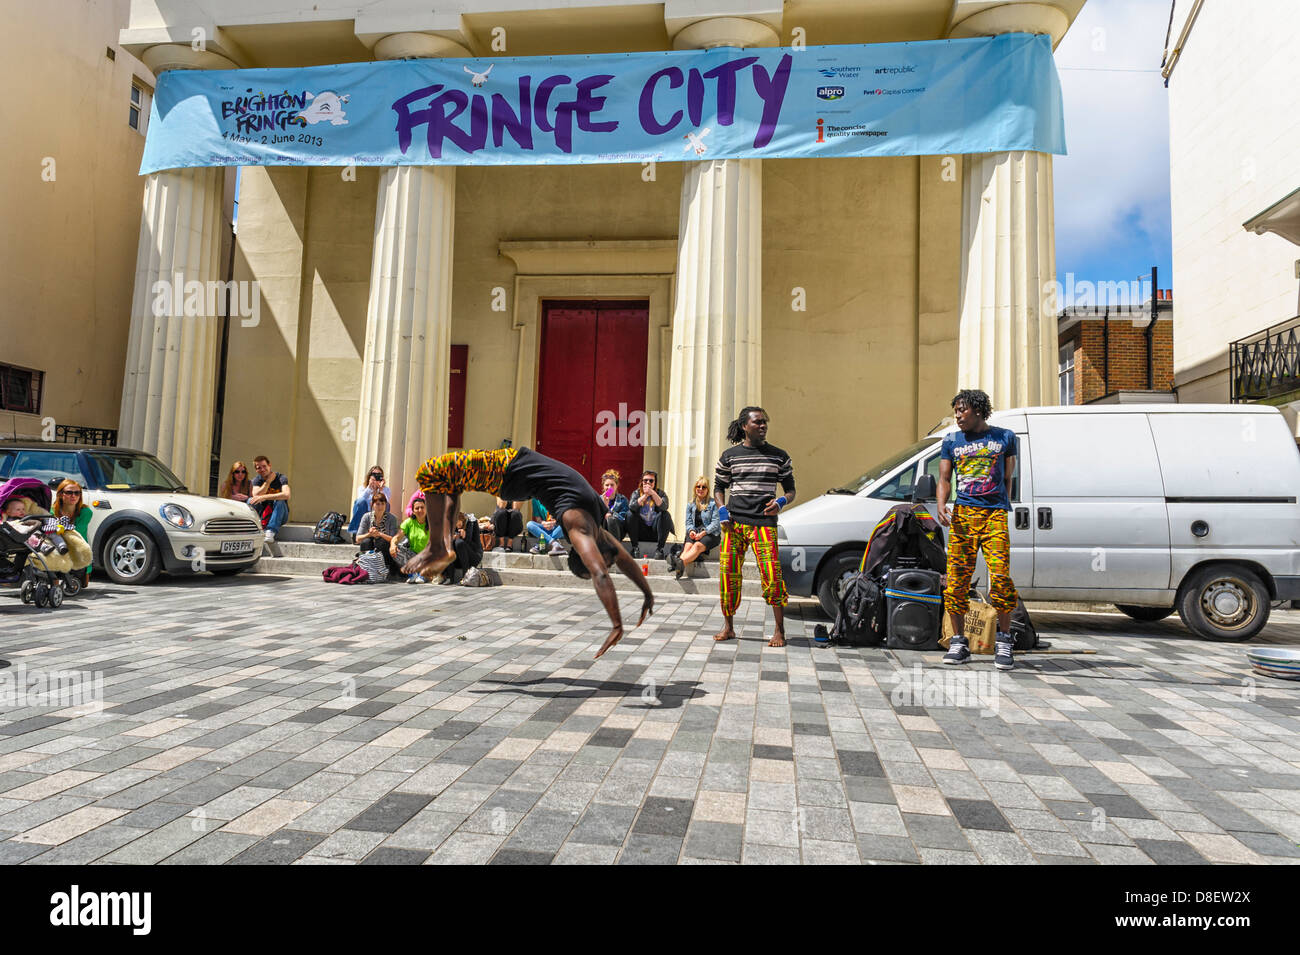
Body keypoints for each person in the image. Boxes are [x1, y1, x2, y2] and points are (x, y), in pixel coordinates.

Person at [406, 446, 654, 656]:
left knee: (430, 472)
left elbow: (600, 573)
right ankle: (443, 545)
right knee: (450, 480)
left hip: (508, 470)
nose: (609, 561)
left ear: (584, 553)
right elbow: (624, 558)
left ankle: (439, 546)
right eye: (607, 561)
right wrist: (646, 594)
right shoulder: (597, 527)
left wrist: (616, 625)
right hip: (515, 472)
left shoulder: (577, 525)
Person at [936, 389, 1020, 671]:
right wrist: (941, 504)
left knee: (1000, 578)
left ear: (979, 410)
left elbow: (1008, 478)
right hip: (963, 515)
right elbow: (944, 477)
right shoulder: (951, 441)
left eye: (963, 410)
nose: (958, 415)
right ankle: (959, 642)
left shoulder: (1005, 438)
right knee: (956, 580)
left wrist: (1001, 506)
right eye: (956, 410)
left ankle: (1005, 641)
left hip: (994, 515)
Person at [713, 406, 796, 648]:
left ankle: (779, 631)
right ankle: (728, 627)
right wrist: (721, 509)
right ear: (744, 426)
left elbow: (790, 490)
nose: (763, 426)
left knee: (772, 576)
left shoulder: (779, 456)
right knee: (728, 576)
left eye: (764, 422)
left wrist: (781, 502)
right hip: (734, 524)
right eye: (758, 422)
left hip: (764, 524)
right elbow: (719, 487)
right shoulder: (730, 456)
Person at [667, 476, 720, 579]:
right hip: (695, 532)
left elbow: (715, 523)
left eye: (703, 487)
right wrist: (691, 530)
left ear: (707, 489)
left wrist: (703, 533)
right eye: (698, 486)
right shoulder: (690, 504)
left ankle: (676, 564)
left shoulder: (713, 504)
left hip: (710, 534)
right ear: (695, 488)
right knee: (687, 547)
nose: (700, 489)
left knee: (696, 547)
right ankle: (679, 567)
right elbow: (688, 522)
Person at [50, 479, 94, 586]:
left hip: (76, 550)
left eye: (77, 493)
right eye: (69, 492)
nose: (73, 496)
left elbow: (76, 534)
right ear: (60, 494)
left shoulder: (85, 512)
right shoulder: (51, 511)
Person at [625, 470, 673, 559]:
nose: (648, 482)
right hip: (640, 531)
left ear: (655, 483)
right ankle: (635, 548)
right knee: (630, 514)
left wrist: (653, 493)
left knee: (665, 515)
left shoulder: (660, 493)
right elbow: (632, 507)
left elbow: (664, 507)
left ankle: (659, 549)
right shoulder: (636, 493)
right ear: (642, 482)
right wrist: (645, 496)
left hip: (655, 531)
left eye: (651, 481)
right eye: (645, 480)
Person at [391, 492, 433, 583]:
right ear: (413, 511)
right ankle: (412, 574)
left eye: (422, 507)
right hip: (414, 555)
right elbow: (397, 537)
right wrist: (392, 545)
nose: (420, 510)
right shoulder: (409, 522)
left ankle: (422, 575)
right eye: (417, 508)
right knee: (396, 550)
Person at [356, 491, 400, 576]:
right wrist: (370, 534)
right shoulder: (366, 517)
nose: (380, 507)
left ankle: (384, 568)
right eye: (377, 504)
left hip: (385, 549)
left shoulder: (392, 518)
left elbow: (394, 539)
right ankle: (366, 568)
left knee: (382, 541)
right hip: (371, 547)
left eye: (383, 504)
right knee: (366, 541)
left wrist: (380, 534)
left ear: (386, 505)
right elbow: (358, 539)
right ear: (372, 504)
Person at [249, 455, 291, 543]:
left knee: (280, 501)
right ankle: (253, 527)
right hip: (264, 514)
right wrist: (268, 482)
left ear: (269, 465)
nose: (262, 469)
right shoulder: (257, 480)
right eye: (259, 468)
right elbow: (256, 495)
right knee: (250, 501)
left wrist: (264, 497)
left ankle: (270, 531)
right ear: (256, 470)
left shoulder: (281, 478)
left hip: (280, 514)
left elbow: (287, 495)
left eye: (264, 466)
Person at [348, 465, 391, 539]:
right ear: (369, 476)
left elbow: (385, 503)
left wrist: (380, 490)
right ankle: (355, 533)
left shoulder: (386, 490)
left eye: (379, 475)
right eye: (374, 474)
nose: (376, 477)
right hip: (364, 512)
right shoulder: (362, 488)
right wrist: (369, 488)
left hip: (376, 512)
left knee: (387, 504)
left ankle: (381, 532)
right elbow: (360, 502)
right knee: (360, 501)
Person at [442, 512, 484, 585]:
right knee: (450, 544)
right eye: (455, 522)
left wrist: (466, 537)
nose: (457, 524)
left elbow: (474, 545)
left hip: (474, 557)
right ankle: (450, 577)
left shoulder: (471, 523)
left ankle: (465, 577)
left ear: (463, 519)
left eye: (459, 521)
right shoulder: (452, 527)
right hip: (459, 560)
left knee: (459, 543)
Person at [598, 470, 629, 542]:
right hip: (602, 530)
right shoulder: (599, 500)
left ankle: (615, 548)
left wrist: (609, 513)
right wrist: (604, 506)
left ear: (616, 486)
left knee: (611, 519)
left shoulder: (622, 500)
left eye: (612, 485)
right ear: (603, 486)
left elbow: (623, 519)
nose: (609, 488)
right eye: (607, 485)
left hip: (617, 531)